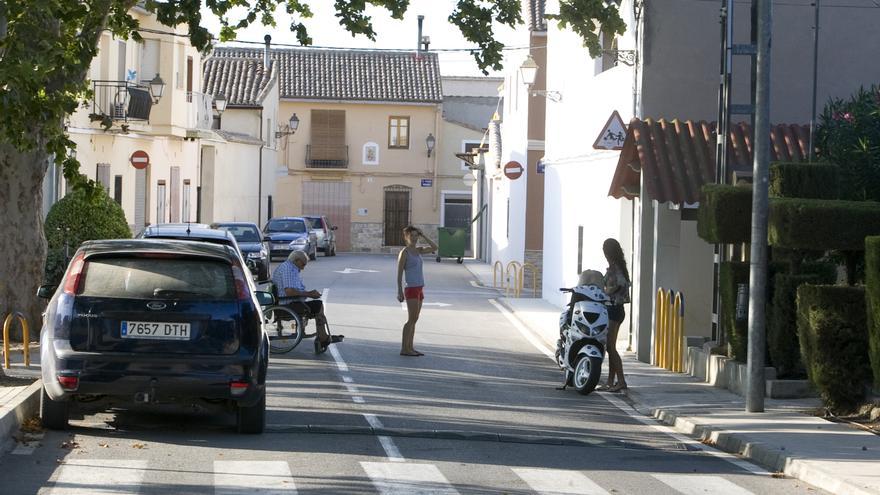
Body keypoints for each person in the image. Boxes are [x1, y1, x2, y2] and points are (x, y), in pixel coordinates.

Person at [271, 250, 342, 354]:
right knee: (318, 305)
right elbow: (289, 291)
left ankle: (323, 337)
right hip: (287, 305)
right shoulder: (288, 269)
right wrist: (309, 294)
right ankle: (323, 338)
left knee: (318, 305)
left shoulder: (290, 268)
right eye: (303, 264)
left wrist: (309, 294)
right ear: (296, 260)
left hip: (290, 303)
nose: (303, 267)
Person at [396, 226, 438, 356]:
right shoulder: (405, 252)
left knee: (415, 319)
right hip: (411, 289)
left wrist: (423, 235)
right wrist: (399, 291)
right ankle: (404, 348)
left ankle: (410, 347)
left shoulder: (418, 251)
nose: (414, 238)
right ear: (406, 237)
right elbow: (399, 274)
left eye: (416, 235)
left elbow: (434, 247)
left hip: (420, 288)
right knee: (411, 319)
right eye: (411, 236)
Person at [598, 238, 631, 393]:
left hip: (614, 310)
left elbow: (621, 285)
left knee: (611, 347)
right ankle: (610, 381)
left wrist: (607, 292)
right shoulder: (616, 267)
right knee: (610, 347)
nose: (604, 254)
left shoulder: (616, 269)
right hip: (614, 310)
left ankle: (621, 381)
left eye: (605, 251)